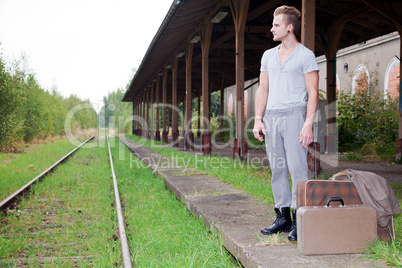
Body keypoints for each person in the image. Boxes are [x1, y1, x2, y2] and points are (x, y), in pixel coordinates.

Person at [252, 5, 319, 241]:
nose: (271, 29)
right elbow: (263, 89)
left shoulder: (305, 55)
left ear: (289, 28)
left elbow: (313, 92)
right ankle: (282, 217)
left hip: (294, 115)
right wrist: (258, 119)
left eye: (276, 25)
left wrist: (308, 123)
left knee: (297, 168)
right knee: (278, 167)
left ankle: (300, 218)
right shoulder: (268, 56)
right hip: (272, 116)